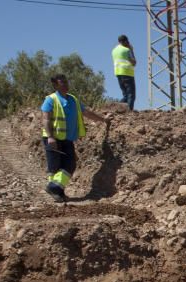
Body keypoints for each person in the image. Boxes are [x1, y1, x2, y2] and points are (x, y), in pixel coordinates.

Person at [41, 74, 109, 202]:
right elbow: (46, 119)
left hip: (67, 139)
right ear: (56, 85)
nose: (66, 85)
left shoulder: (73, 100)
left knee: (70, 165)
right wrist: (50, 137)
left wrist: (103, 119)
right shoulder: (51, 99)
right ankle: (58, 193)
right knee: (54, 167)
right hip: (53, 138)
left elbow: (87, 113)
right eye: (62, 83)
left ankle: (53, 187)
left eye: (66, 82)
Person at [112, 35, 137, 110]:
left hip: (118, 73)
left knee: (125, 95)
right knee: (131, 95)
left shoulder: (114, 50)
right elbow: (134, 62)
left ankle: (119, 108)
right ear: (126, 41)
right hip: (127, 73)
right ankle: (129, 111)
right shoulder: (127, 50)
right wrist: (131, 50)